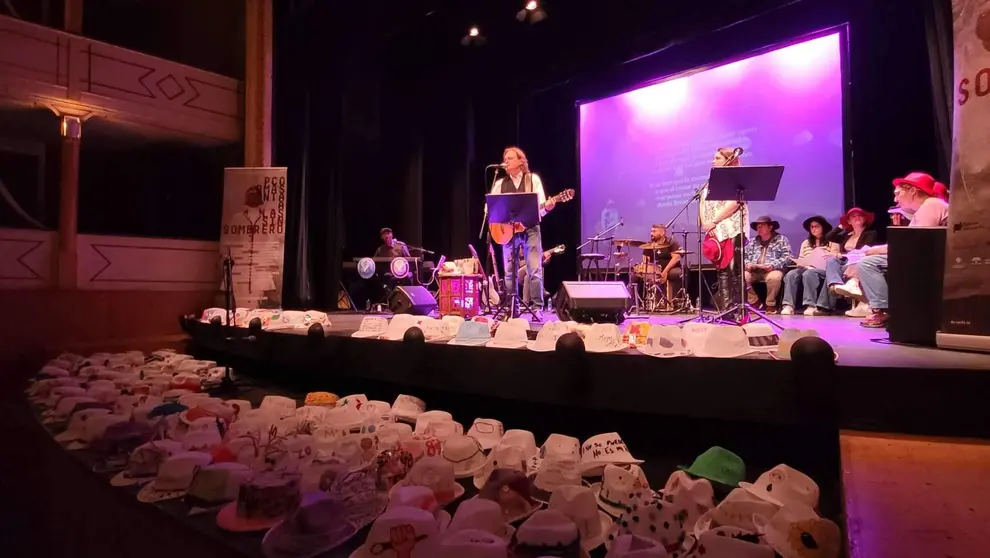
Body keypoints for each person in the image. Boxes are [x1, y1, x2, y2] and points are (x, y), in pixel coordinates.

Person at [853, 172, 950, 328]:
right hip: (926, 256)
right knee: (866, 262)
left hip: (931, 258)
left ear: (912, 190)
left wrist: (877, 250)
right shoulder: (925, 209)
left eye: (898, 193)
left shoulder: (931, 204)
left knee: (867, 264)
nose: (895, 199)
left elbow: (915, 243)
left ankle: (885, 310)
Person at [490, 146, 556, 312]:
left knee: (534, 269)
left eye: (510, 158)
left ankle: (537, 308)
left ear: (521, 161)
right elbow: (490, 209)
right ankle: (514, 307)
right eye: (505, 159)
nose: (506, 161)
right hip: (508, 233)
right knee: (509, 272)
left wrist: (547, 208)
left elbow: (539, 208)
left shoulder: (532, 180)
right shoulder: (499, 184)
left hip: (530, 229)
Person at [700, 147, 749, 312]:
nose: (713, 161)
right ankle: (726, 310)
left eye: (717, 158)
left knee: (734, 270)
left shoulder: (735, 179)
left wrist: (714, 220)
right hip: (716, 230)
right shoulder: (710, 182)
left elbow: (734, 203)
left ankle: (740, 310)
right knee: (722, 271)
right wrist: (707, 224)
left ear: (729, 160)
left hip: (732, 228)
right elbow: (703, 203)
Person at [822, 207, 879, 314]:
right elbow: (829, 236)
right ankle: (835, 286)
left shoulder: (870, 233)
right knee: (831, 261)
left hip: (859, 261)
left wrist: (841, 254)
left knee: (843, 260)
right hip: (845, 263)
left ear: (865, 219)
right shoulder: (846, 235)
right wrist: (841, 226)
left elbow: (862, 250)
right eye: (853, 217)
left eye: (860, 215)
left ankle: (850, 287)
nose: (857, 218)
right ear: (849, 221)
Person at [781, 216, 836, 316]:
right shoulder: (805, 243)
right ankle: (788, 305)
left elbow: (835, 258)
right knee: (791, 274)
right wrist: (800, 263)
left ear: (823, 227)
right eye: (811, 227)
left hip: (823, 269)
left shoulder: (832, 241)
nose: (814, 229)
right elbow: (801, 257)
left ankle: (810, 305)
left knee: (809, 273)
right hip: (807, 267)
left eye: (816, 226)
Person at [743, 216, 793, 313]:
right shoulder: (752, 241)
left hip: (772, 270)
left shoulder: (781, 239)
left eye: (762, 226)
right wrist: (748, 264)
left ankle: (770, 305)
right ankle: (754, 302)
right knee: (742, 277)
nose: (759, 229)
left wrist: (773, 265)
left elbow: (788, 257)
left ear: (770, 227)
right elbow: (744, 256)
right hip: (754, 271)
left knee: (774, 277)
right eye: (758, 226)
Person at [632, 224, 683, 308]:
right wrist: (649, 273)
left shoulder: (671, 243)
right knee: (634, 277)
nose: (651, 233)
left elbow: (676, 258)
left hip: (670, 268)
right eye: (651, 231)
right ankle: (635, 304)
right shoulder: (649, 245)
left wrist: (664, 272)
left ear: (662, 233)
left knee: (676, 273)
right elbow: (645, 261)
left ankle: (675, 301)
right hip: (655, 270)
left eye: (654, 231)